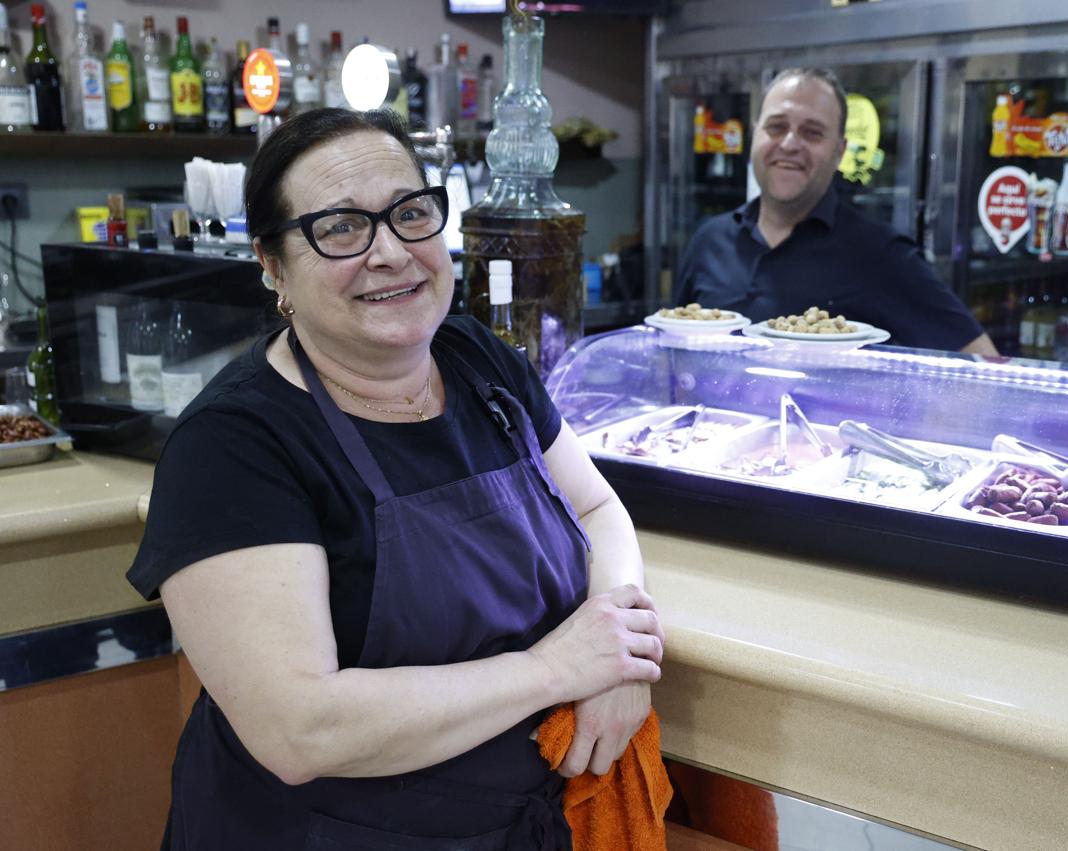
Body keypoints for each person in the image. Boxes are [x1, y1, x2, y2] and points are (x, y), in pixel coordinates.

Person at [126, 108, 665, 850]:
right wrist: (553, 670)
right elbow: (300, 728)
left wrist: (620, 646)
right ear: (272, 264)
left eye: (410, 213)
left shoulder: (478, 360)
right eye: (341, 227)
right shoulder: (232, 446)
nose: (390, 252)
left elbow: (599, 507)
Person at [674, 67, 998, 355]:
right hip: (713, 423)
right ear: (755, 134)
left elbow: (981, 360)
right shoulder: (708, 241)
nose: (789, 144)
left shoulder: (882, 255)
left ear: (840, 151)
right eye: (776, 127)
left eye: (812, 132)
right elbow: (671, 347)